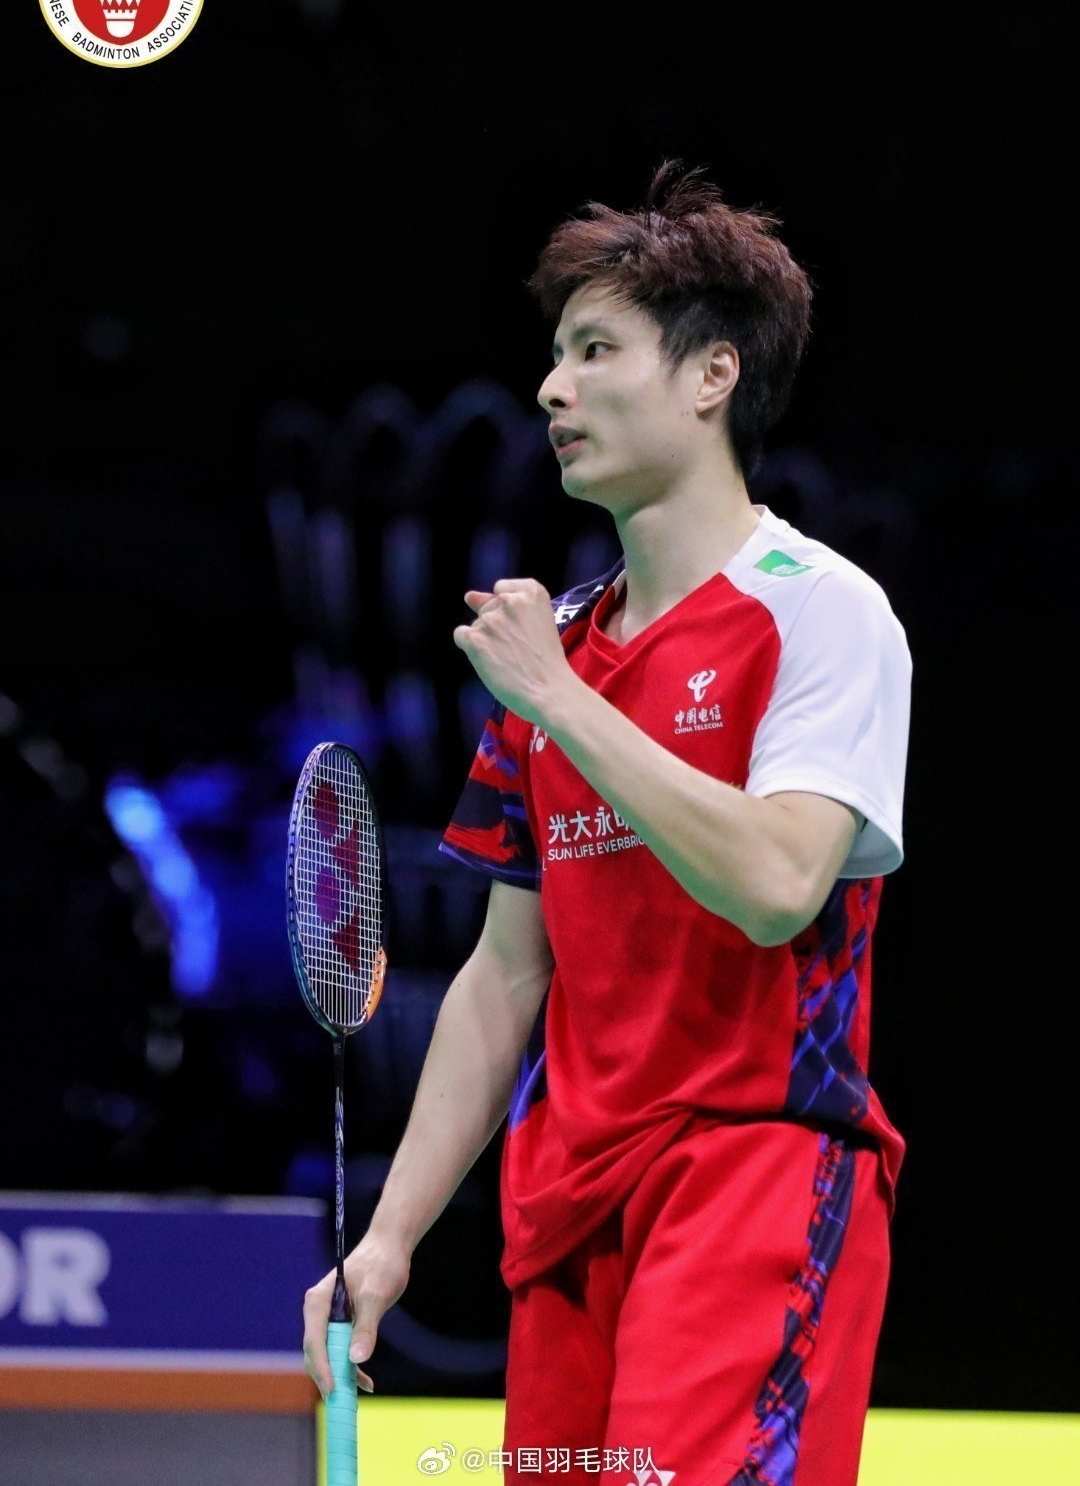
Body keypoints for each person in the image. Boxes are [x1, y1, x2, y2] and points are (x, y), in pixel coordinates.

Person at [302, 159, 912, 1486]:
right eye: (555, 354)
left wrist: (563, 703)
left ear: (712, 377)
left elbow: (778, 885)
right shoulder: (558, 650)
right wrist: (391, 1239)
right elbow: (504, 973)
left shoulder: (818, 611)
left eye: (595, 351)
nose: (550, 390)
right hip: (570, 1214)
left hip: (752, 1171)